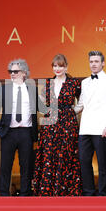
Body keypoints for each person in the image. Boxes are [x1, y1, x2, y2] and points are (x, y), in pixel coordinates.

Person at [32, 54, 82, 196]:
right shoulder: (48, 83)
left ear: (66, 67)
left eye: (60, 66)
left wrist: (70, 111)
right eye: (55, 66)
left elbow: (82, 102)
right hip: (49, 124)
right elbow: (41, 103)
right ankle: (48, 191)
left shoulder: (74, 83)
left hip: (68, 123)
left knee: (66, 154)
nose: (57, 68)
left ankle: (66, 192)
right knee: (49, 154)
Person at [75, 51, 106, 196]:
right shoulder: (85, 82)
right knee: (84, 161)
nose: (93, 64)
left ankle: (102, 194)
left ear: (103, 63)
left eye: (96, 61)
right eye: (91, 61)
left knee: (103, 164)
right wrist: (63, 110)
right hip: (85, 129)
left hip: (102, 129)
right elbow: (80, 105)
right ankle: (88, 192)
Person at [0, 59, 38, 196]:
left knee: (26, 166)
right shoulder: (4, 88)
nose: (12, 74)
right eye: (10, 71)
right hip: (8, 132)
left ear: (24, 73)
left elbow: (37, 110)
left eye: (16, 71)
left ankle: (25, 195)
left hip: (26, 132)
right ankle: (4, 195)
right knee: (5, 167)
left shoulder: (32, 89)